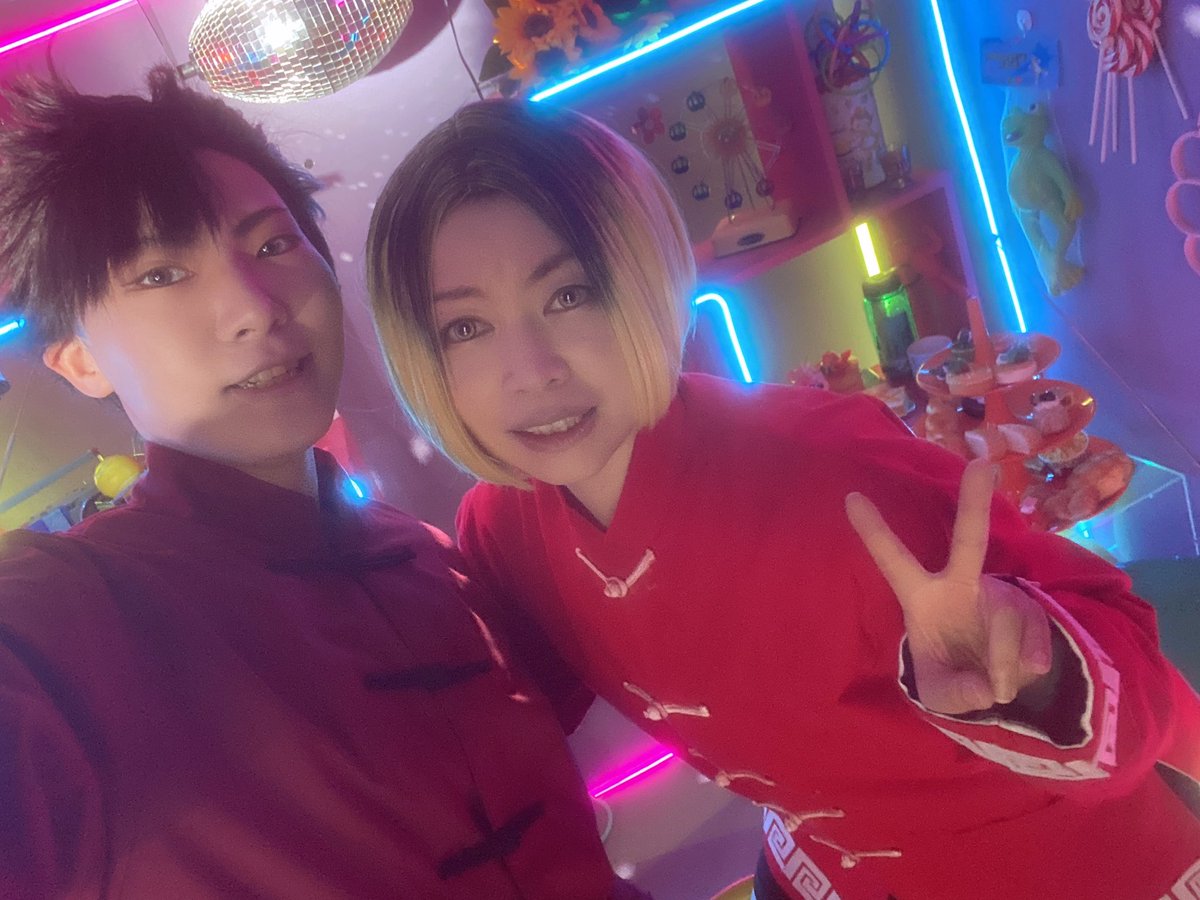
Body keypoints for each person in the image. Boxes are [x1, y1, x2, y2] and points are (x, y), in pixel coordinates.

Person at [364, 98, 1200, 900]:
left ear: (649, 279)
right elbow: (500, 728)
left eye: (569, 293)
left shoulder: (837, 476)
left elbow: (1147, 689)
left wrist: (1031, 670)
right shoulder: (502, 530)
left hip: (1069, 860)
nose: (530, 371)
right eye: (465, 327)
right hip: (833, 859)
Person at [0, 70, 644, 899]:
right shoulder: (68, 615)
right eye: (161, 273)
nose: (255, 306)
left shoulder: (440, 562)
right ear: (80, 360)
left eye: (273, 245)